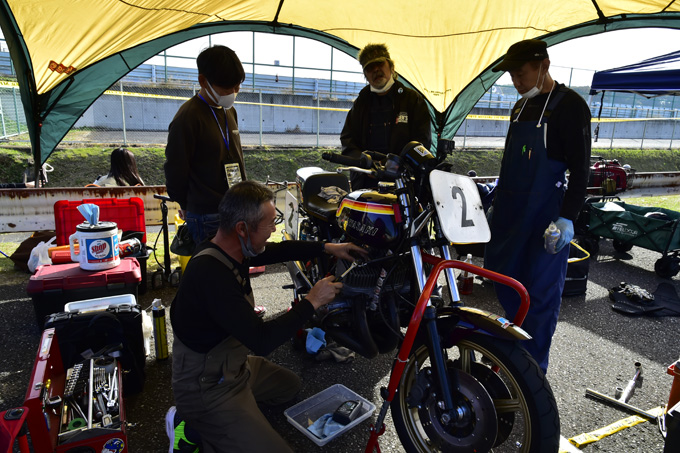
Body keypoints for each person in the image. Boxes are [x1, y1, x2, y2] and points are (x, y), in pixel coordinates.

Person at [167, 180, 368, 453]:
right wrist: (312, 301)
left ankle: (237, 415)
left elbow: (276, 250)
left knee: (289, 386)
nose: (273, 231)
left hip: (234, 368)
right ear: (241, 228)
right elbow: (262, 340)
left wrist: (328, 247)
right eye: (269, 225)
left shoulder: (227, 246)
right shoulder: (211, 276)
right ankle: (190, 427)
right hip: (207, 387)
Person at [484, 39, 591, 374]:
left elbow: (581, 169)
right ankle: (511, 352)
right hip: (511, 216)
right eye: (512, 76)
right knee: (506, 282)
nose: (516, 81)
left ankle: (531, 371)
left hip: (547, 220)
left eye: (521, 73)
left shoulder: (570, 106)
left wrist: (568, 217)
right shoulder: (520, 108)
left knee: (541, 297)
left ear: (544, 64)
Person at [164, 45, 247, 248]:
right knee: (215, 272)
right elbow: (175, 169)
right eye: (227, 87)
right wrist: (185, 203)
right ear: (203, 81)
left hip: (234, 208)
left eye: (237, 86)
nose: (234, 92)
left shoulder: (229, 112)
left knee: (237, 268)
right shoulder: (188, 116)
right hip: (206, 214)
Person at [340, 43, 432, 190]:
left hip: (404, 184)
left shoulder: (412, 100)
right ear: (365, 75)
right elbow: (347, 140)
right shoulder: (361, 102)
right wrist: (364, 162)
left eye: (380, 64)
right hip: (366, 182)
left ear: (391, 66)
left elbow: (423, 143)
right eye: (370, 67)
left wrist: (396, 166)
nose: (376, 70)